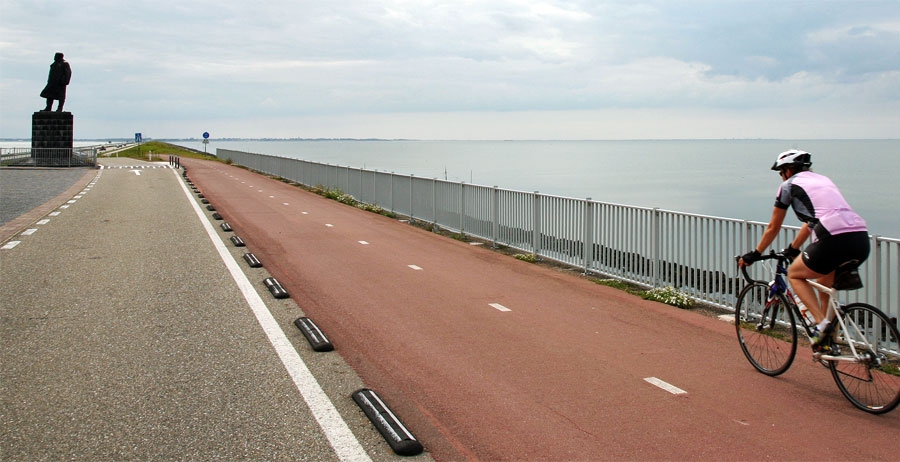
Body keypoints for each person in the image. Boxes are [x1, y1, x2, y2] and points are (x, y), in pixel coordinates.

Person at [739, 149, 869, 349]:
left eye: (781, 172)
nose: (781, 177)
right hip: (860, 236)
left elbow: (774, 227)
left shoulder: (788, 186)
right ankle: (830, 344)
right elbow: (811, 222)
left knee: (794, 274)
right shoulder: (823, 180)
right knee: (825, 283)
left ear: (788, 170)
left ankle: (822, 325)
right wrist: (793, 248)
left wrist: (755, 253)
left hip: (832, 236)